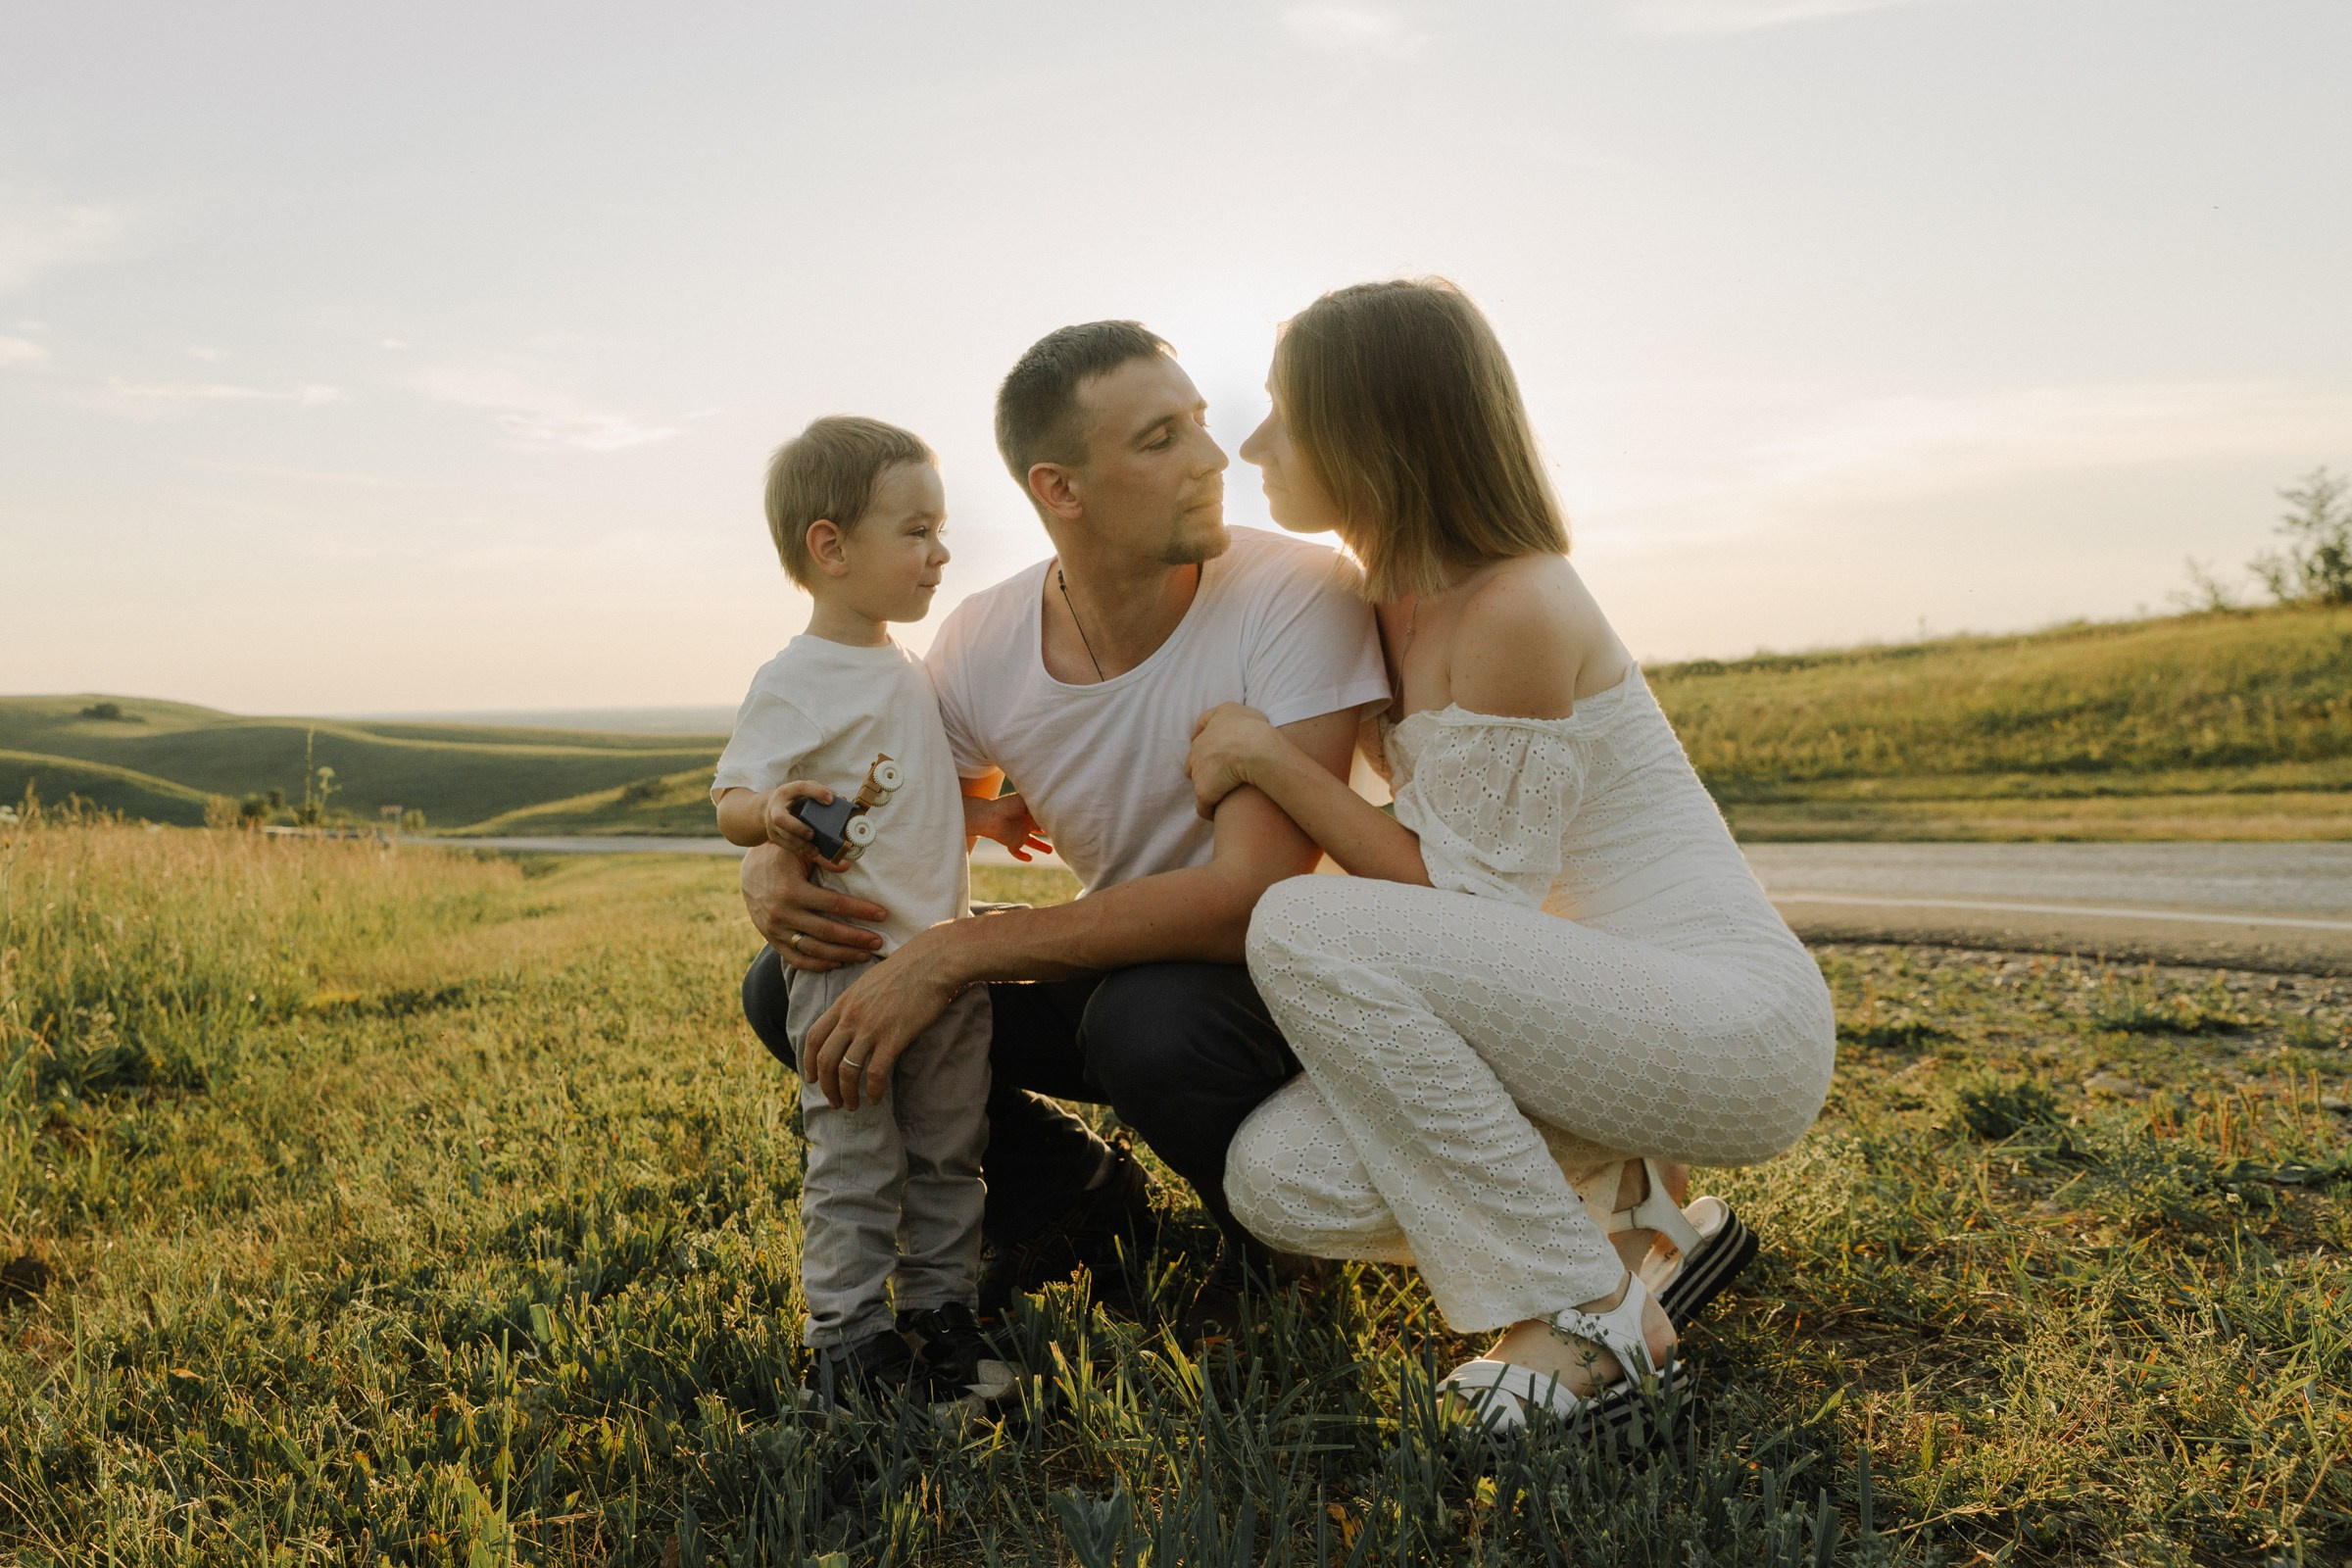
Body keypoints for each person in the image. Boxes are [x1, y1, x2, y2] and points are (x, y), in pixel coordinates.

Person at [1184, 279, 1838, 1431]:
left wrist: (1269, 760)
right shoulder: (1370, 600)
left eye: (1286, 411)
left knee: (1298, 919)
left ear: (1373, 428)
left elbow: (1468, 902)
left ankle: (1586, 1317)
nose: (1253, 443)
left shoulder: (1517, 604)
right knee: (1276, 1177)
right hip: (1578, 1020)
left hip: (1731, 1029)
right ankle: (1636, 1217)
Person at [737, 322, 1390, 1325]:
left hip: (1302, 985)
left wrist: (956, 952)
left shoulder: (1299, 592)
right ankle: (1066, 1190)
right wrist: (777, 864)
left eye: (1198, 424)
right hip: (1126, 969)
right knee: (801, 983)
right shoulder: (984, 638)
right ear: (1061, 489)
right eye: (1161, 437)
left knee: (1147, 1023)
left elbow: (1251, 899)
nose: (1213, 458)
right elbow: (898, 810)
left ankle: (1279, 1244)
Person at [712, 415, 1047, 1412]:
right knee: (857, 1159)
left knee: (949, 1155)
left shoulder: (909, 672)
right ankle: (847, 1342)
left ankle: (941, 1318)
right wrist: (769, 815)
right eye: (916, 531)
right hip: (849, 969)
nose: (940, 552)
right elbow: (731, 798)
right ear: (831, 546)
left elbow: (906, 795)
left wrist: (985, 814)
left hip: (943, 965)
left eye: (940, 531)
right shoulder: (795, 680)